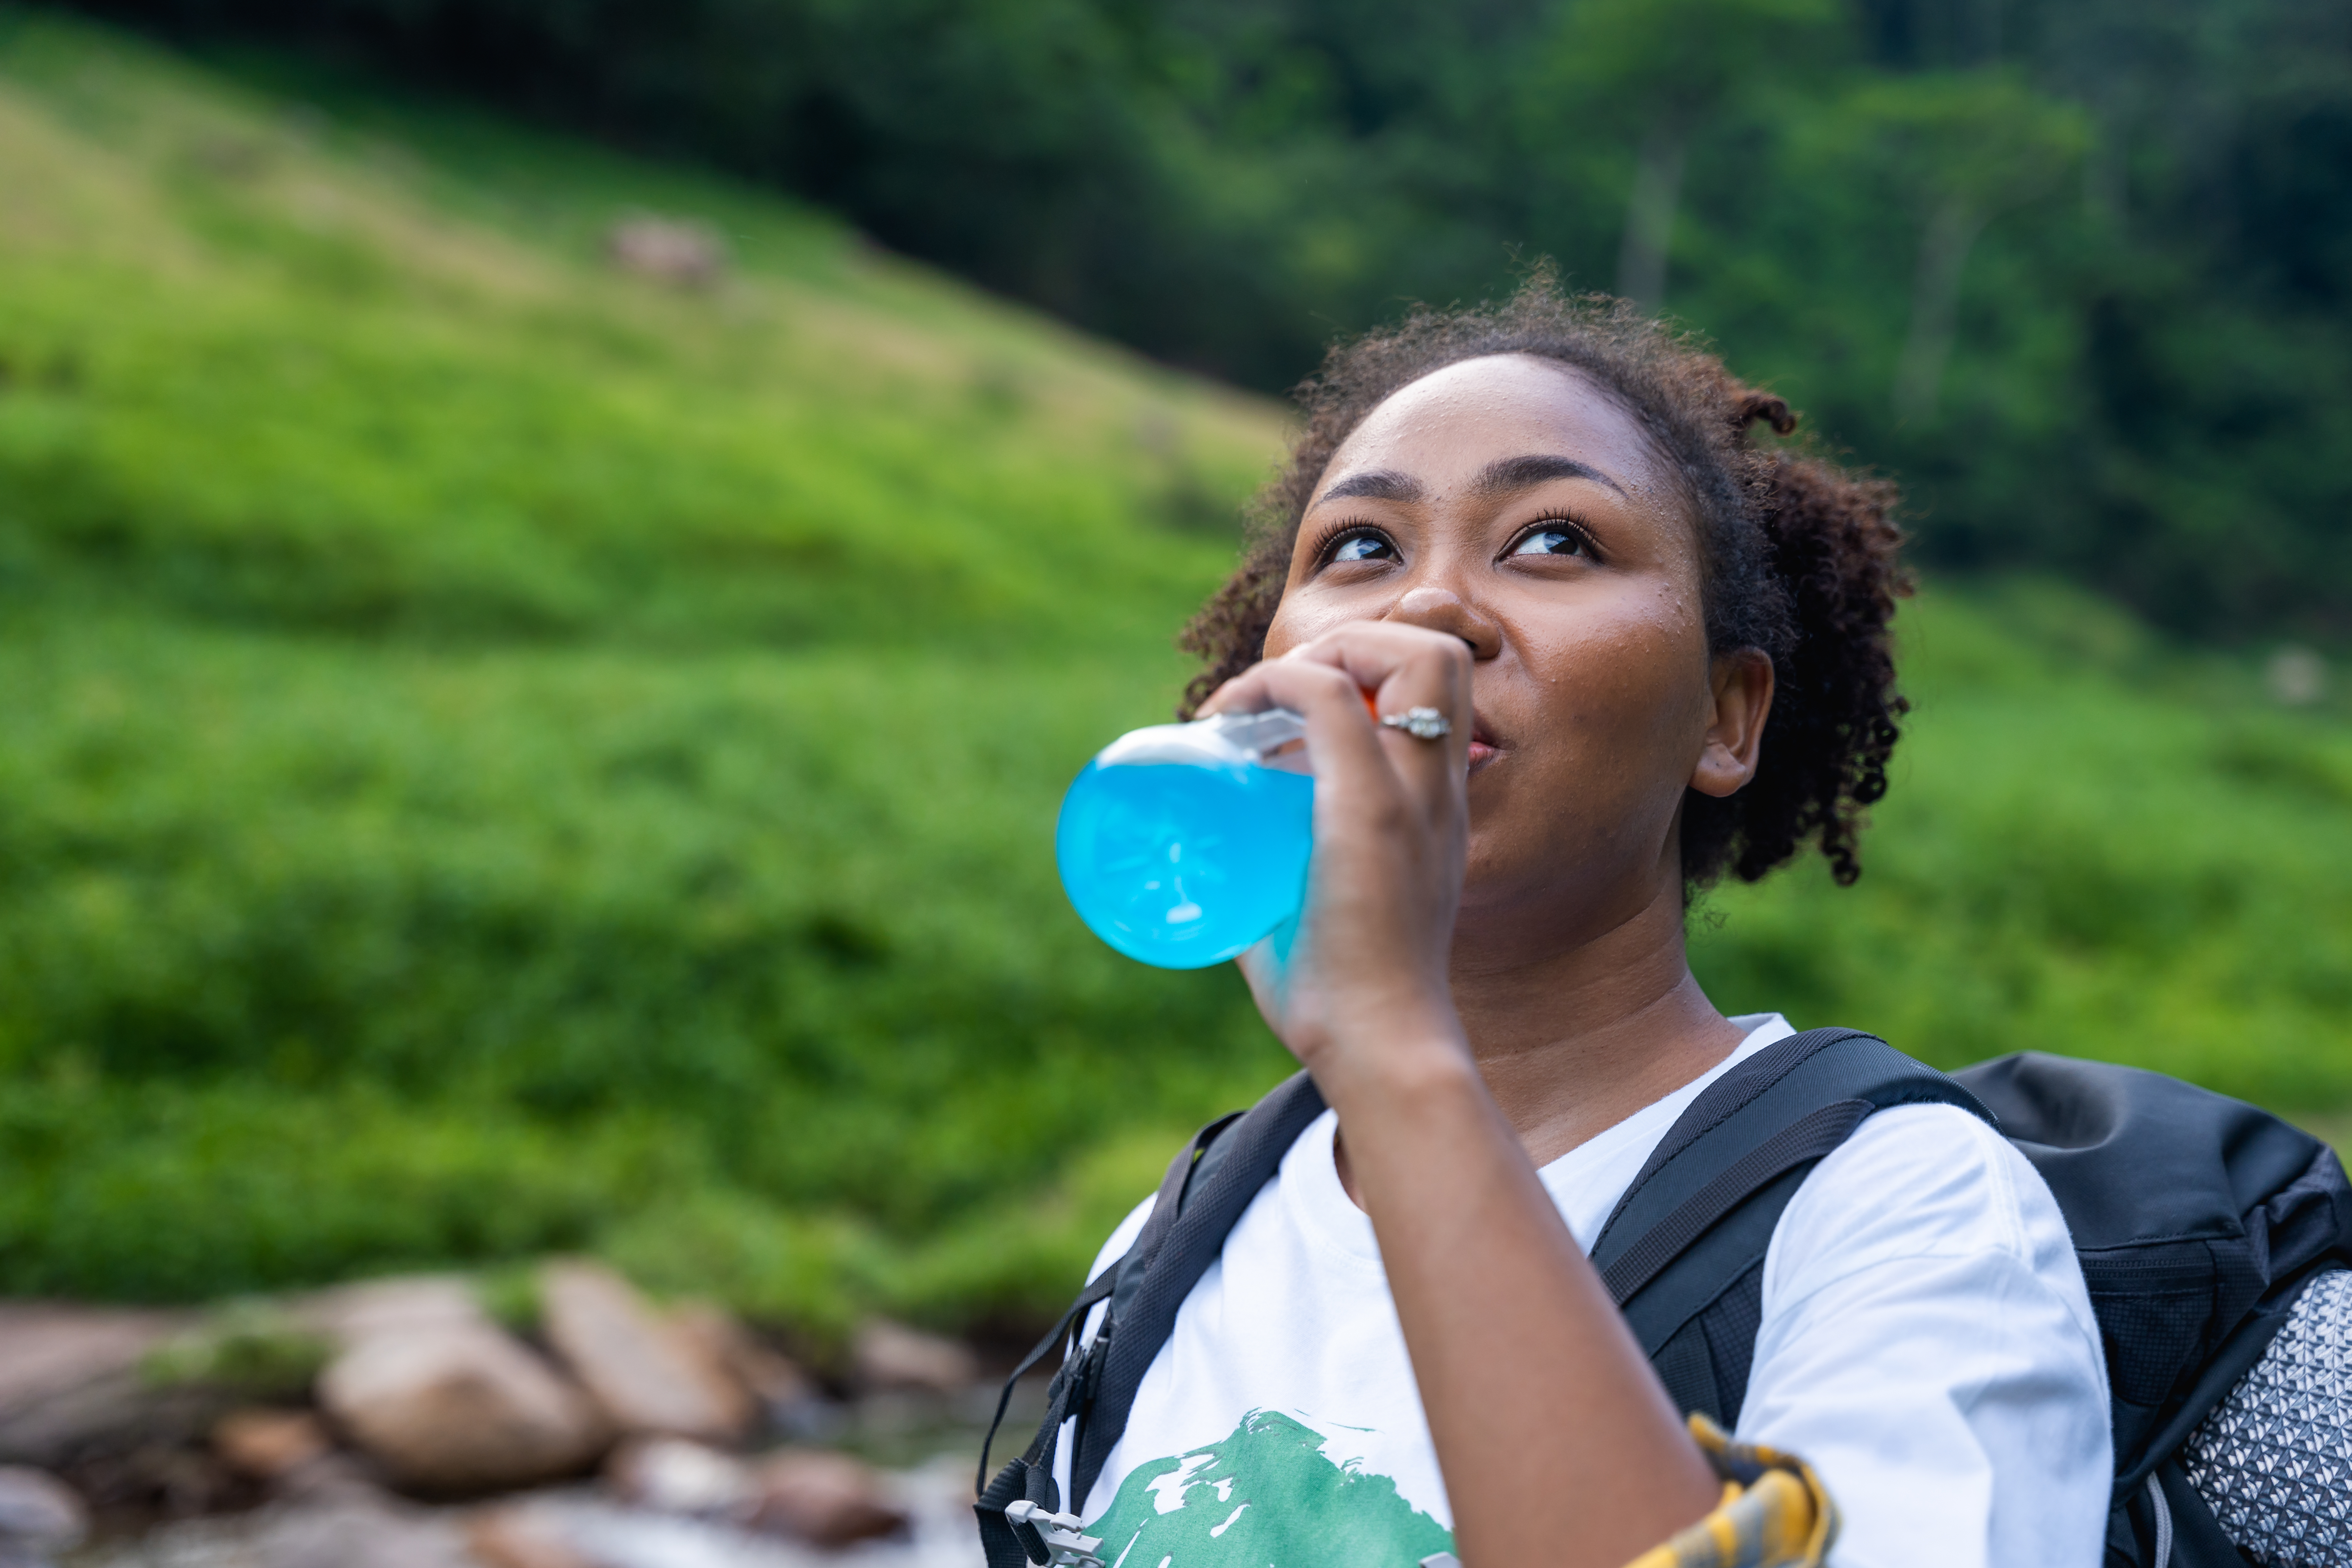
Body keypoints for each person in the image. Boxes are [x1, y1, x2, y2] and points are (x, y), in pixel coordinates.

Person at [1053, 281, 2111, 1568]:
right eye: (1361, 549)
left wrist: (1393, 1050)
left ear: (1727, 720)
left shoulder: (1905, 1218)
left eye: (1554, 540)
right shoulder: (1182, 1242)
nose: (1426, 612)